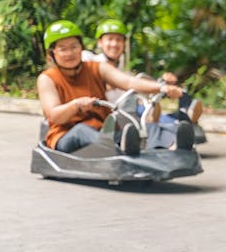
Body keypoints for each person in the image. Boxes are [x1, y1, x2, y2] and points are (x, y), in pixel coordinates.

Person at [38, 20, 194, 155]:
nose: (70, 53)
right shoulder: (47, 78)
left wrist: (162, 88)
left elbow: (129, 82)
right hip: (65, 135)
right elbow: (54, 116)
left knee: (134, 127)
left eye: (74, 47)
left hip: (102, 130)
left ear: (81, 48)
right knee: (82, 131)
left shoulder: (97, 68)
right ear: (51, 54)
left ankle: (166, 147)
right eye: (63, 49)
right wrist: (75, 105)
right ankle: (123, 151)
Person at [82, 18, 203, 124]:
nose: (114, 44)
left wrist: (162, 84)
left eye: (119, 40)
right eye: (110, 39)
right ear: (100, 42)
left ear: (124, 44)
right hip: (107, 115)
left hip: (129, 110)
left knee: (149, 109)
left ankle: (182, 120)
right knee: (142, 116)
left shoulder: (123, 70)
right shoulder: (90, 61)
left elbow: (132, 82)